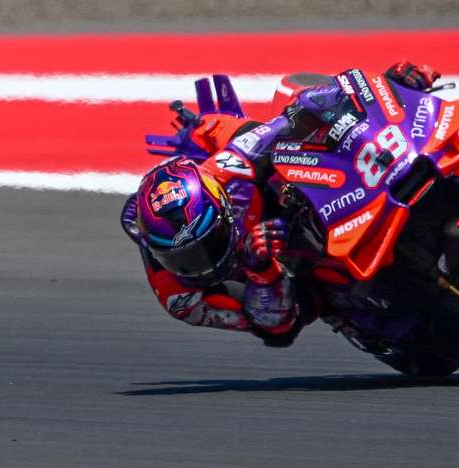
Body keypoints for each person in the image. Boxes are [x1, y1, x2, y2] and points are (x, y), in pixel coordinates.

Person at [120, 62, 441, 346]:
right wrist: (261, 271)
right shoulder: (180, 297)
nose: (201, 262)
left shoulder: (227, 168)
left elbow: (280, 126)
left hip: (288, 196)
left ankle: (404, 103)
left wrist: (384, 91)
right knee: (367, 313)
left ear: (221, 204)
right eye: (184, 257)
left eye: (210, 241)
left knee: (302, 98)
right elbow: (275, 328)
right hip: (284, 275)